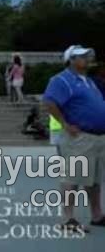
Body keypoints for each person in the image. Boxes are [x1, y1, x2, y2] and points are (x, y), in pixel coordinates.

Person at [42, 45, 105, 232]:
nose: (86, 59)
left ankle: (97, 214)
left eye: (87, 56)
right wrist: (65, 124)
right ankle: (67, 218)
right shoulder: (62, 80)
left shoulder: (88, 81)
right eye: (81, 56)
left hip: (97, 136)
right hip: (80, 137)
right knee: (72, 177)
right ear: (70, 60)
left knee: (94, 179)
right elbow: (49, 102)